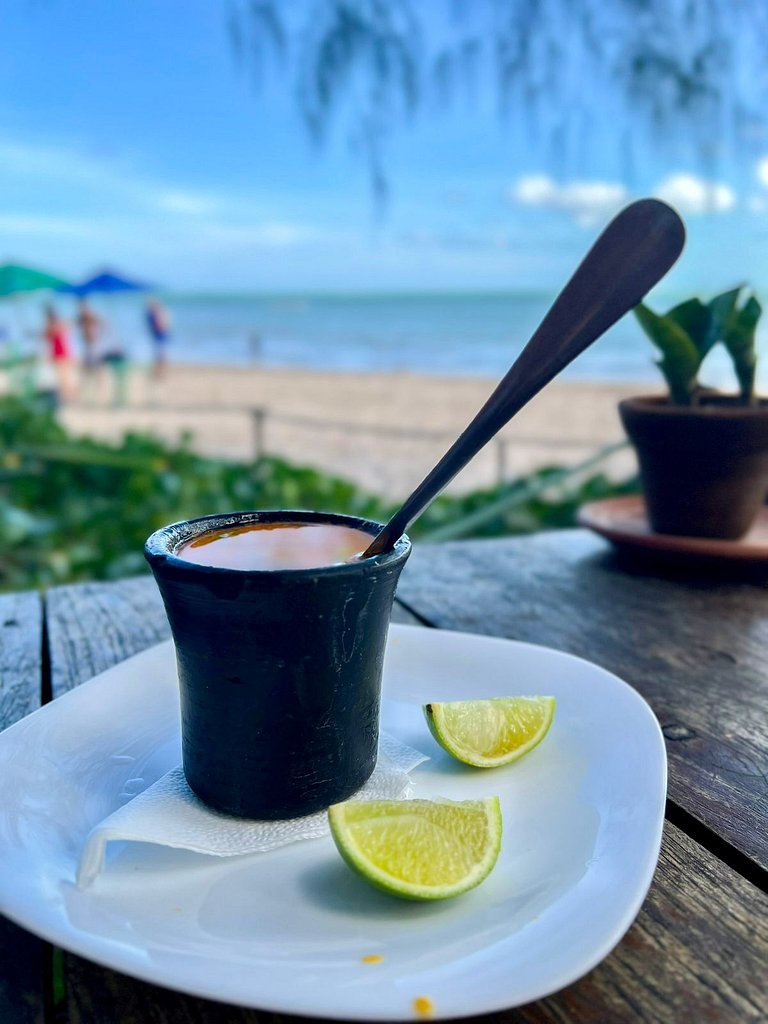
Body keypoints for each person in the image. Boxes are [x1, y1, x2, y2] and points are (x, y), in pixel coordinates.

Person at [42, 305, 75, 403]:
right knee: (62, 376)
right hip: (59, 353)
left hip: (62, 352)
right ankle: (65, 396)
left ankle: (67, 396)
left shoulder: (56, 325)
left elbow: (68, 329)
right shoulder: (52, 326)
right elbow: (46, 337)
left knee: (65, 376)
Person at [75, 298, 103, 401]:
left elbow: (101, 324)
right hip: (87, 344)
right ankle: (89, 389)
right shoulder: (82, 317)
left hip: (92, 344)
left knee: (93, 367)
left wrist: (98, 335)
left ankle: (97, 388)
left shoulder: (89, 317)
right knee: (88, 368)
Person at [145, 297, 172, 379]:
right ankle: (159, 373)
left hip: (158, 335)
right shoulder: (152, 314)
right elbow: (160, 325)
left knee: (160, 355)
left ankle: (158, 373)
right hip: (159, 335)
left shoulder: (151, 313)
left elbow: (161, 324)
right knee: (160, 355)